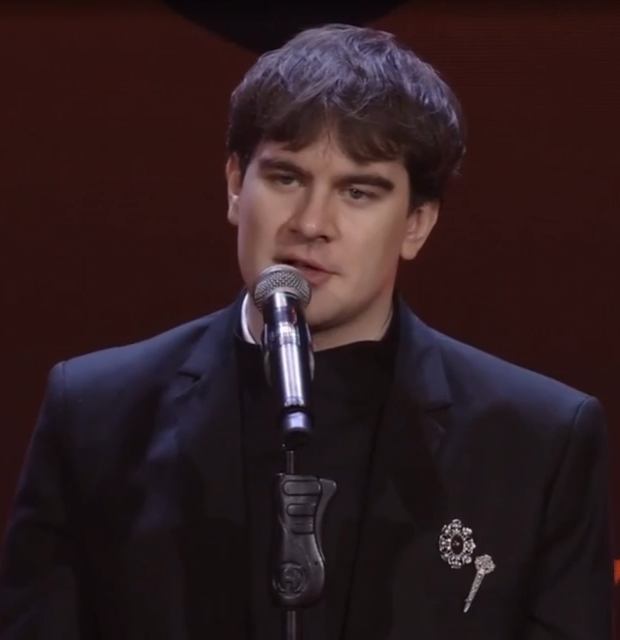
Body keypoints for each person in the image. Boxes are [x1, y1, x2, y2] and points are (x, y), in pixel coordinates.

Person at [0, 23, 613, 640]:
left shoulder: (538, 441)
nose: (312, 222)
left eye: (358, 191)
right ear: (235, 186)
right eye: (286, 178)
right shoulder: (96, 413)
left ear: (416, 224)